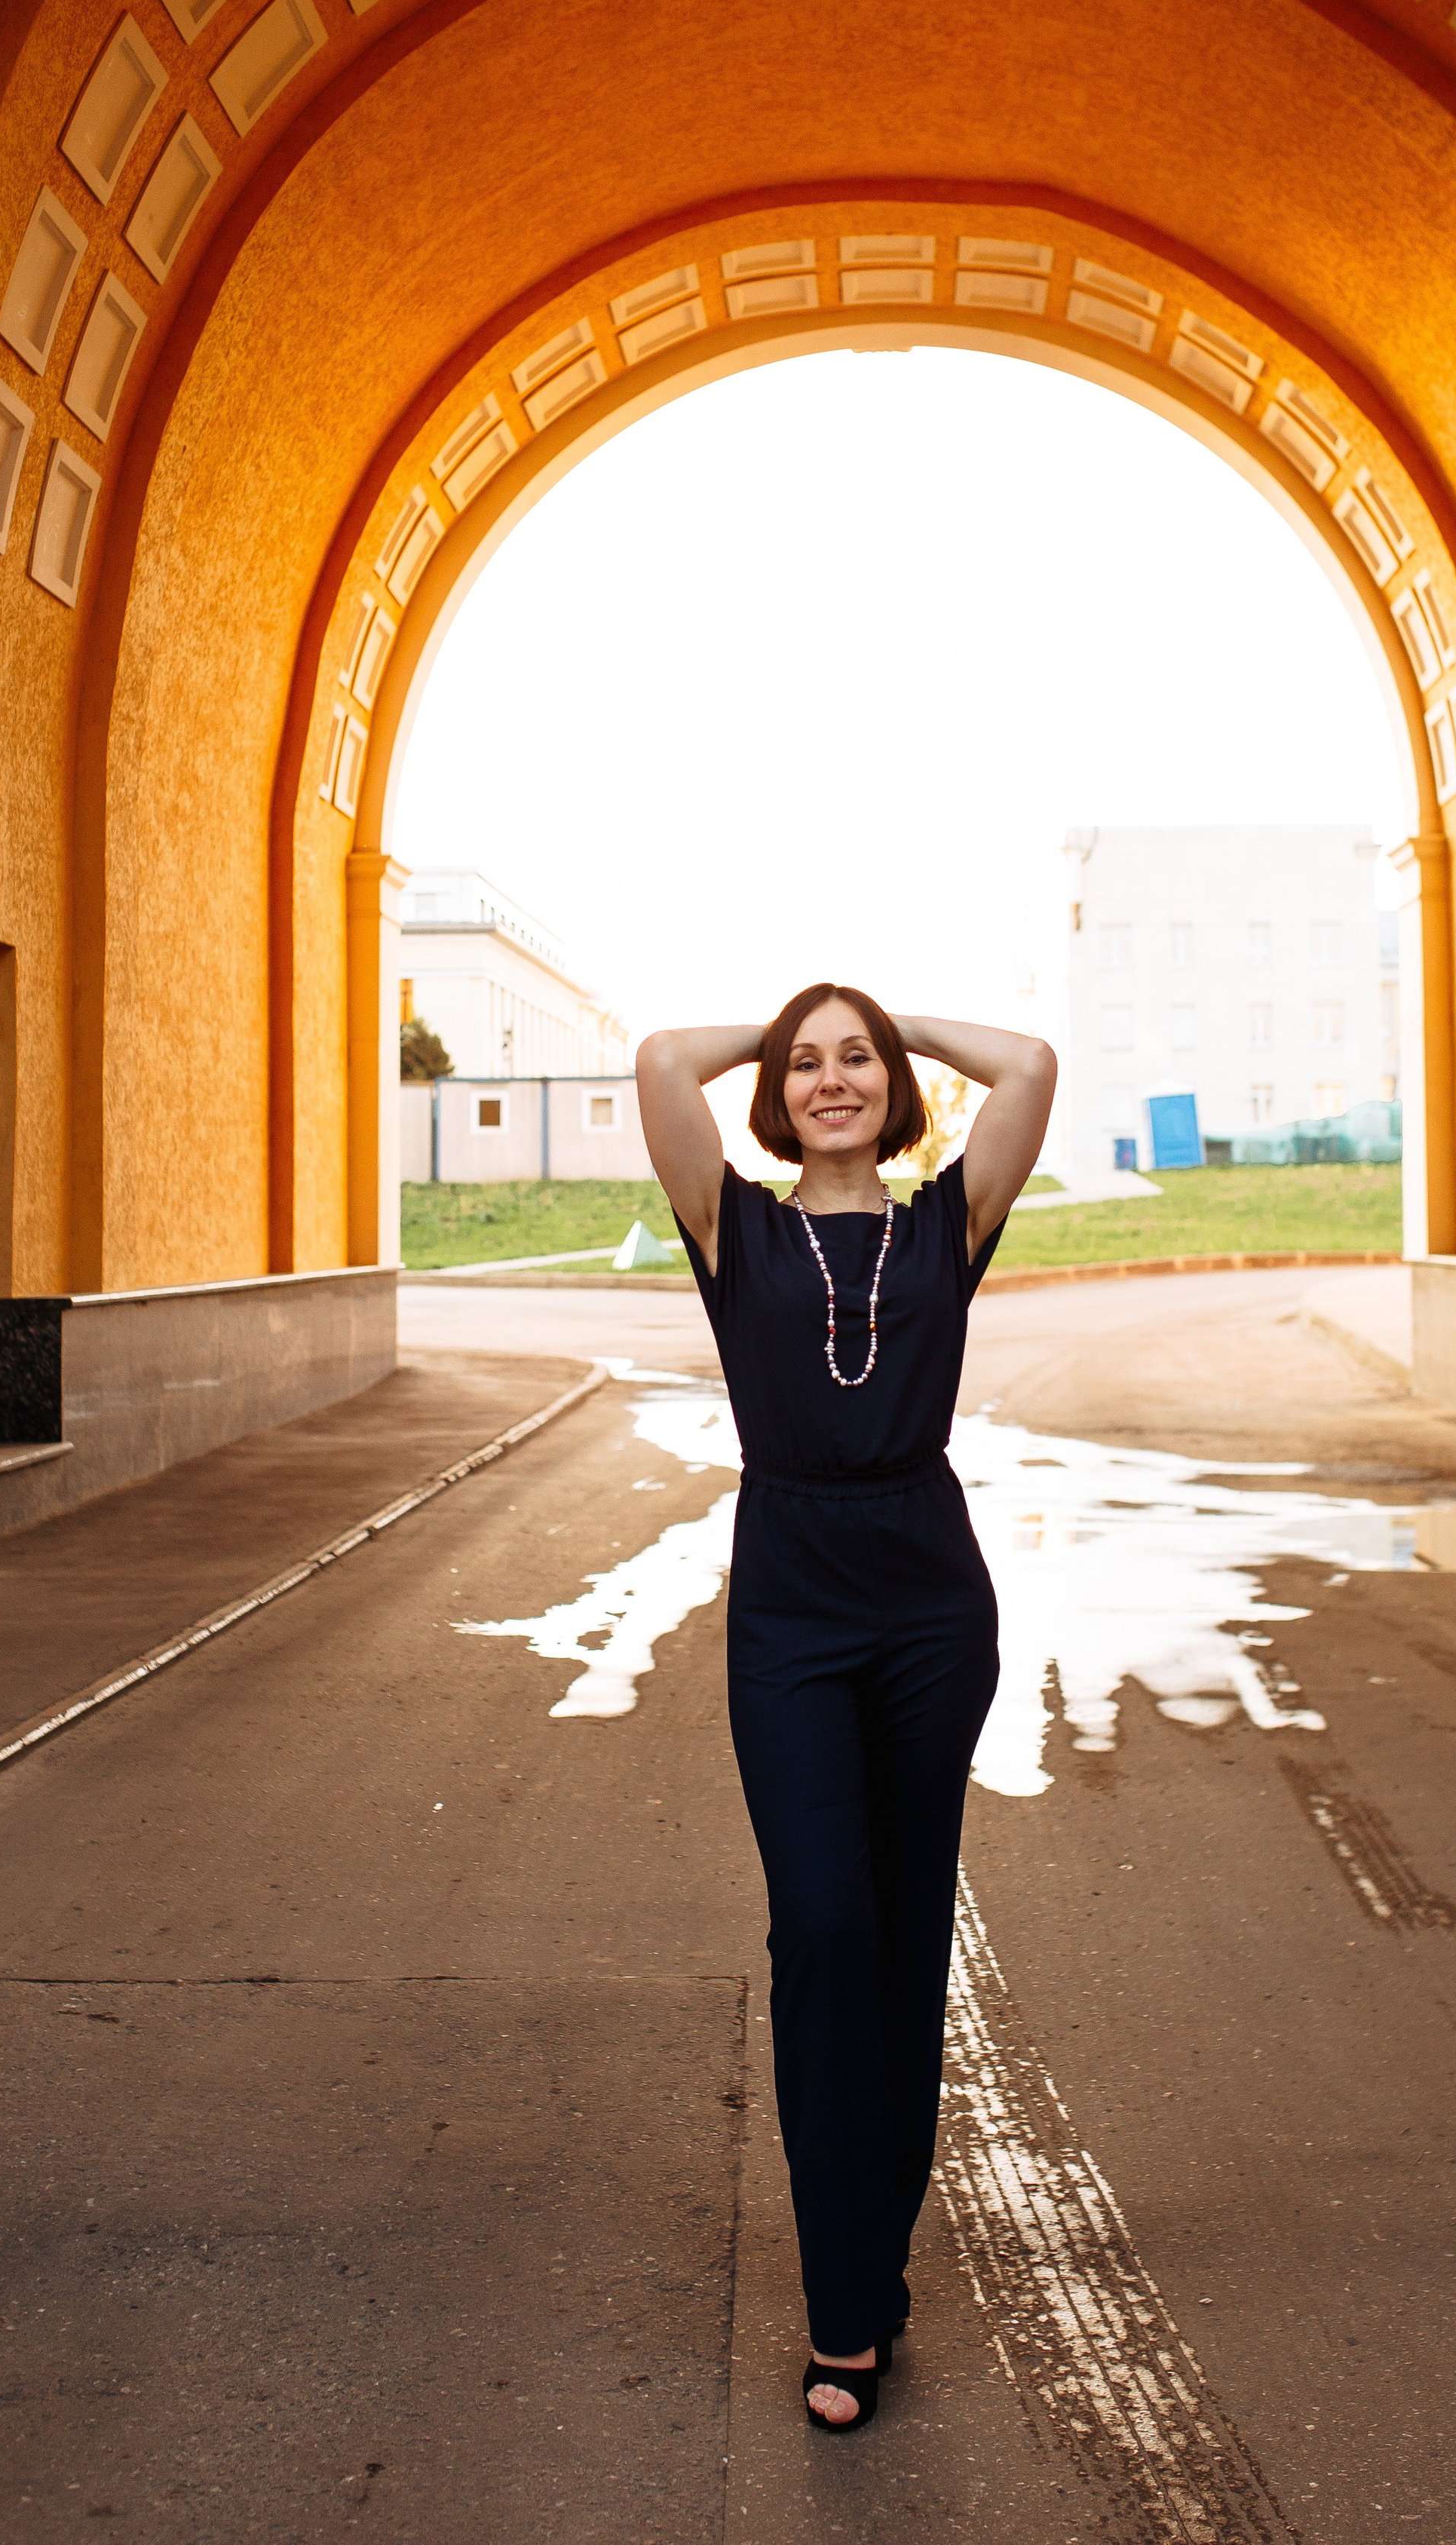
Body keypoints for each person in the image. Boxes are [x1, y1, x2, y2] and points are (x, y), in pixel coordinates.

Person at [636, 987, 1056, 2432]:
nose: (830, 1080)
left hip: (932, 1604)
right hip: (794, 1606)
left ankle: (861, 2280)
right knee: (821, 1923)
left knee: (903, 1926)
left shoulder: (946, 1221)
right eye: (807, 1063)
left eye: (855, 1058)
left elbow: (1032, 1065)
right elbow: (656, 1062)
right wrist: (780, 1021)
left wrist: (913, 1021)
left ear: (894, 1081)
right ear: (771, 1085)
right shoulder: (732, 1225)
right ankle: (846, 2291)